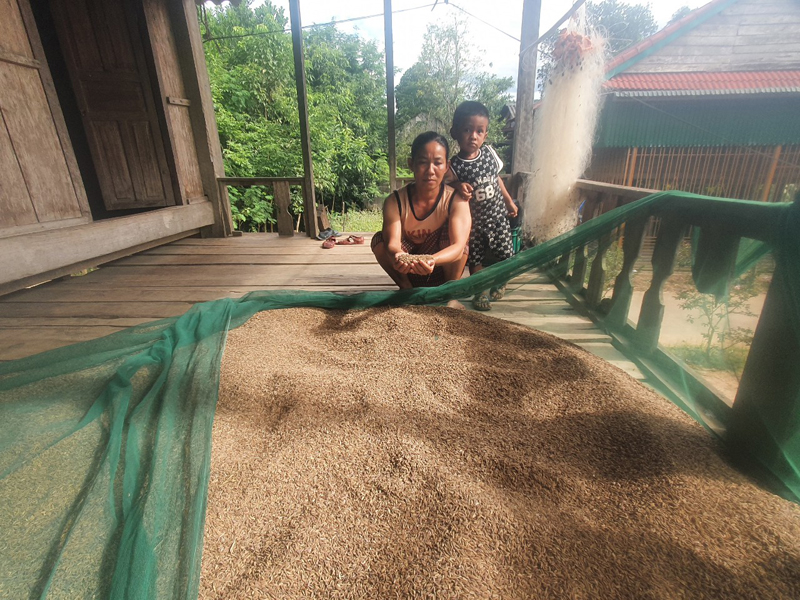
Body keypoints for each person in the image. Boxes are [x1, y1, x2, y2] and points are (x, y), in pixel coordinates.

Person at [372, 131, 471, 291]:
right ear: (412, 164)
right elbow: (392, 244)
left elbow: (458, 247)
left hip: (440, 268)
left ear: (447, 166)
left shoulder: (456, 200)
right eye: (423, 163)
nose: (430, 170)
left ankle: (450, 294)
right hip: (406, 270)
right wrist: (400, 257)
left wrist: (431, 260)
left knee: (460, 241)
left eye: (437, 163)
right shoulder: (394, 201)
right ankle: (406, 290)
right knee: (379, 240)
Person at [447, 101, 518, 311]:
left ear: (485, 135)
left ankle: (501, 280)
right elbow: (448, 185)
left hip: (498, 218)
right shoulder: (455, 165)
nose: (473, 136)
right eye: (467, 130)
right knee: (475, 259)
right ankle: (480, 291)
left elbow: (498, 181)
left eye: (479, 131)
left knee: (505, 254)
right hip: (475, 224)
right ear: (455, 133)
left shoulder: (489, 154)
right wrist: (458, 185)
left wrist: (509, 201)